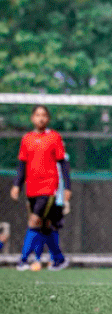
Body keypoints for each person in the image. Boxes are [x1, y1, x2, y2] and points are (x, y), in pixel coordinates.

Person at [9, 105, 71, 271]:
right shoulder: (27, 139)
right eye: (37, 115)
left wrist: (67, 186)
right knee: (45, 225)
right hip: (32, 188)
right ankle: (59, 259)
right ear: (32, 118)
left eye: (44, 115)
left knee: (34, 221)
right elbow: (22, 164)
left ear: (48, 119)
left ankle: (22, 260)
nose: (41, 118)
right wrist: (17, 185)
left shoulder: (54, 137)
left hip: (49, 187)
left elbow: (63, 163)